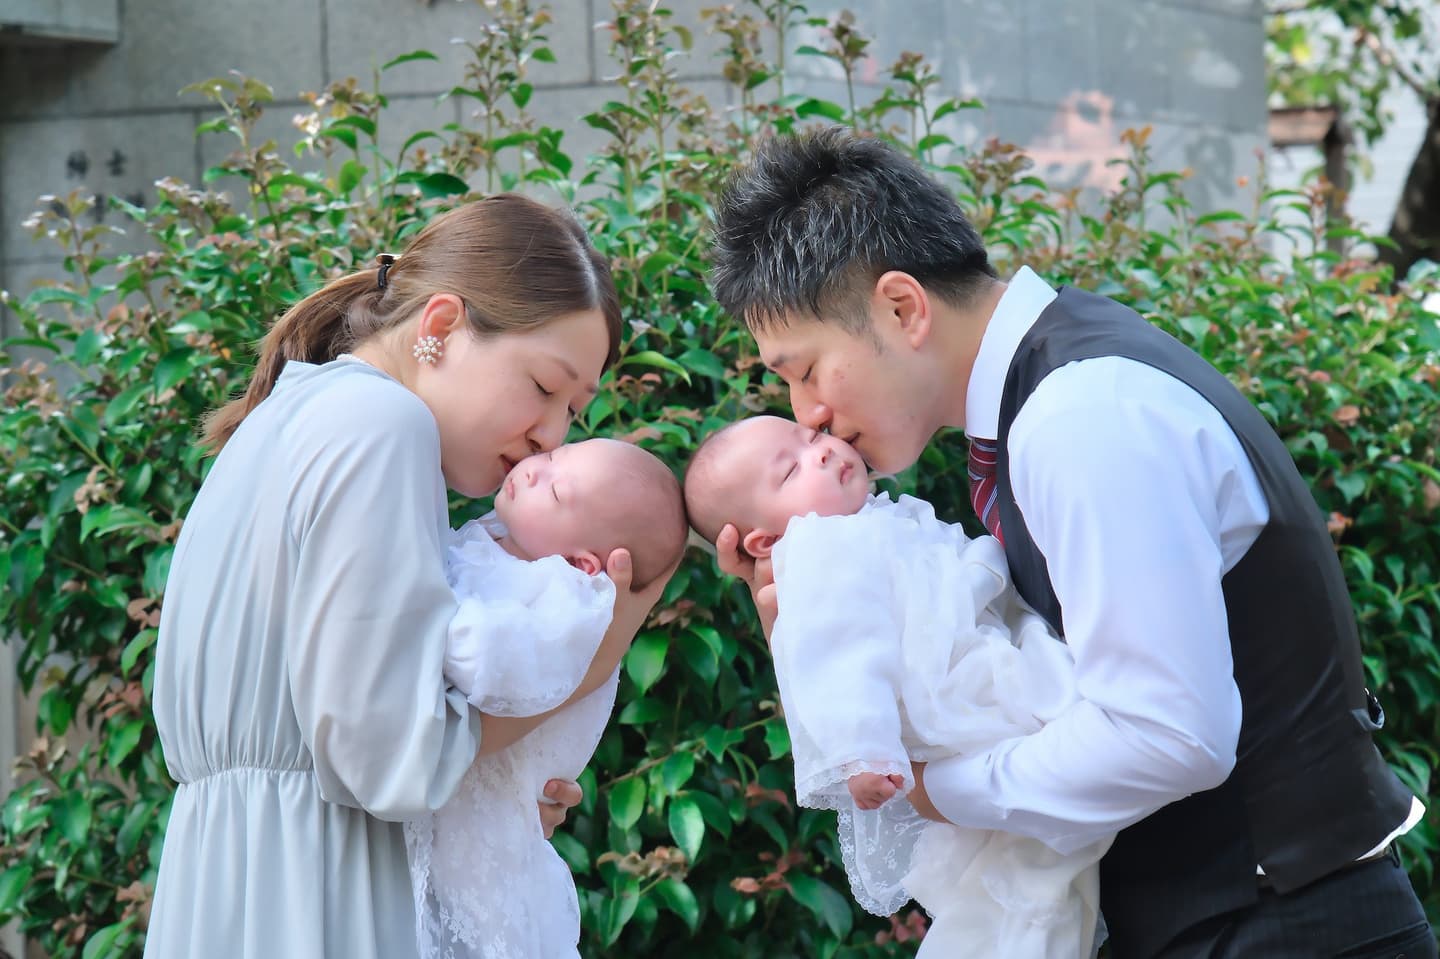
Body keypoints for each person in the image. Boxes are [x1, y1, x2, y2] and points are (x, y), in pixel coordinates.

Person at [706, 127, 1434, 958]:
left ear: (902, 306)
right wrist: (812, 611)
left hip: (1287, 926)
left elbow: (1169, 735)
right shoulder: (1061, 386)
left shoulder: (1080, 415)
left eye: (803, 370)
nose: (808, 414)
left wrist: (934, 791)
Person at [145, 194, 675, 959]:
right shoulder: (382, 426)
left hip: (236, 889)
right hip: (323, 900)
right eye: (542, 386)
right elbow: (395, 759)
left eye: (573, 409)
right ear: (441, 327)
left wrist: (490, 800)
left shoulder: (299, 414)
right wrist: (593, 657)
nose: (550, 434)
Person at [684, 415, 1108, 958]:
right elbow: (840, 655)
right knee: (1027, 876)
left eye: (812, 438)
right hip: (957, 701)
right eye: (790, 471)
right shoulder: (819, 549)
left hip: (979, 675)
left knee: (1027, 876)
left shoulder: (876, 518)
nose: (820, 452)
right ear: (767, 539)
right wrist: (864, 752)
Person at [407, 438, 687, 959]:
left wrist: (414, 607)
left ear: (583, 565)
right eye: (554, 458)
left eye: (556, 490)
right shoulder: (498, 543)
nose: (534, 470)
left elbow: (485, 662)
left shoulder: (566, 603)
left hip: (478, 827)